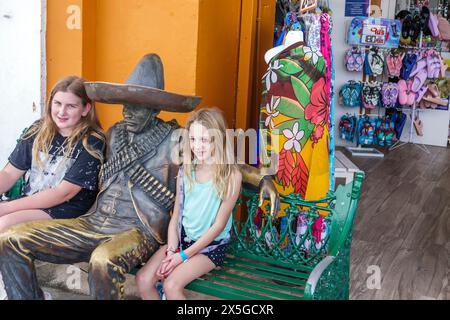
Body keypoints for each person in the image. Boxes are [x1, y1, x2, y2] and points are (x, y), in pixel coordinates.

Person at [0, 54, 279, 300]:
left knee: (103, 260)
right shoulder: (113, 134)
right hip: (94, 222)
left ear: (155, 109)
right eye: (125, 104)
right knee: (10, 238)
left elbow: (217, 157)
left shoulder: (173, 138)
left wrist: (261, 178)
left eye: (137, 106)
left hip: (139, 231)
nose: (127, 111)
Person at [135, 107, 241, 300]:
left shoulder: (231, 176)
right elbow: (176, 216)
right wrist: (170, 251)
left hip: (209, 247)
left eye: (204, 140)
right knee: (143, 279)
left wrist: (182, 257)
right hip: (182, 241)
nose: (197, 146)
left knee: (171, 286)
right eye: (193, 139)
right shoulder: (186, 171)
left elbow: (217, 227)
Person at [0, 75, 106, 232]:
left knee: (5, 224)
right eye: (58, 103)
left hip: (64, 209)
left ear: (85, 109)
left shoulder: (92, 142)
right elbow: (9, 173)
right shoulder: (38, 130)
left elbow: (63, 193)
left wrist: (6, 208)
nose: (62, 112)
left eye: (71, 106)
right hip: (31, 201)